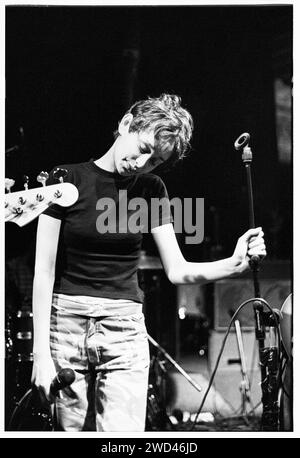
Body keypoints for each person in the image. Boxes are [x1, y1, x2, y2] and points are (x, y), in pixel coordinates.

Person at [31, 93, 266, 432]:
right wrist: (41, 355)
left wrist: (234, 263)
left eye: (155, 160)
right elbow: (43, 272)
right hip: (66, 326)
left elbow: (178, 270)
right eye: (143, 149)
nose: (143, 164)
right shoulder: (65, 178)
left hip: (123, 330)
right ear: (126, 124)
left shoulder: (152, 190)